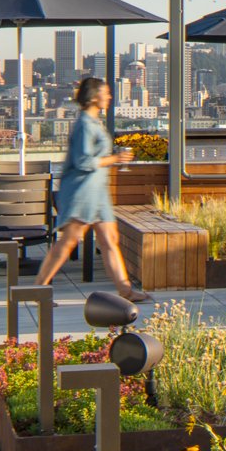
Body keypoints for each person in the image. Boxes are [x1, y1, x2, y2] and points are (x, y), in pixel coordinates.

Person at [35, 76, 147, 300]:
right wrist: (115, 158)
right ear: (95, 96)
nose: (109, 96)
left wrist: (112, 158)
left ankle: (125, 290)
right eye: (106, 92)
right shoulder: (85, 125)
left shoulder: (95, 122)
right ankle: (37, 289)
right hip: (82, 192)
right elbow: (83, 162)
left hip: (97, 192)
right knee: (68, 242)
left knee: (109, 239)